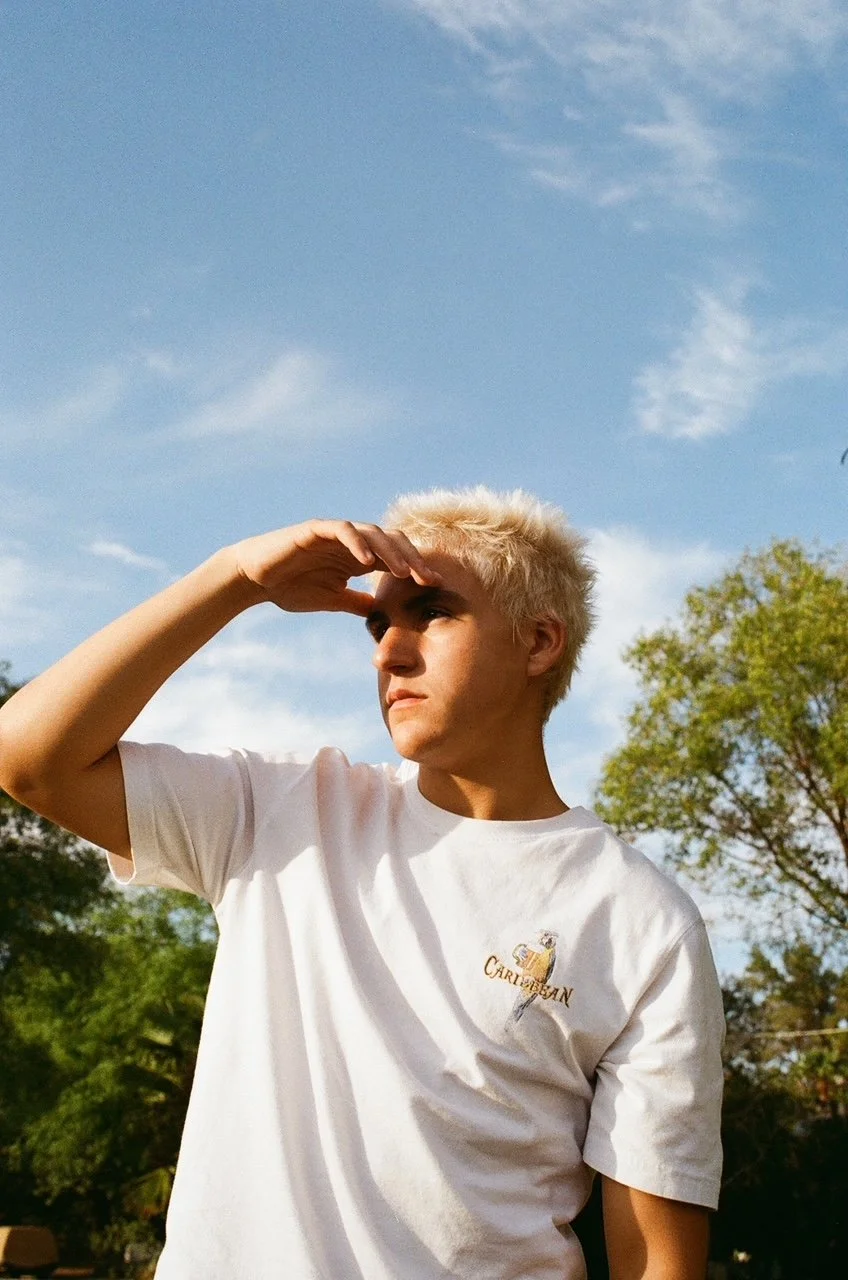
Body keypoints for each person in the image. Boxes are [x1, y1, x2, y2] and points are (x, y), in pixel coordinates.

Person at [0, 487, 724, 1280]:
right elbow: (30, 759)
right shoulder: (278, 812)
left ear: (540, 642)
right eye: (380, 624)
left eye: (433, 613)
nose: (387, 651)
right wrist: (235, 577)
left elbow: (659, 1261)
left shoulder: (644, 922)